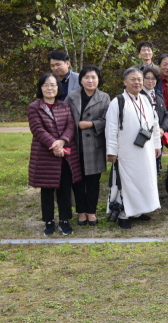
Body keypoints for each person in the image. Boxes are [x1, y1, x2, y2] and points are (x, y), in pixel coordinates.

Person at [105, 68, 161, 229]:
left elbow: (154, 124)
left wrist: (157, 144)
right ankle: (123, 214)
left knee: (144, 181)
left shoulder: (146, 99)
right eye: (133, 79)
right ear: (124, 82)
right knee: (126, 182)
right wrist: (112, 151)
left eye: (139, 79)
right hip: (126, 152)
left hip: (146, 150)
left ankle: (138, 211)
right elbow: (111, 128)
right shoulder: (118, 102)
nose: (137, 82)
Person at [28, 73, 82, 236]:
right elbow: (37, 129)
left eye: (53, 85)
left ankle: (64, 220)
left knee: (65, 189)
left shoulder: (64, 106)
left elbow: (70, 126)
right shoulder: (34, 107)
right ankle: (49, 221)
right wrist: (54, 144)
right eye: (46, 85)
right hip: (45, 155)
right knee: (47, 190)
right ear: (40, 88)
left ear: (58, 87)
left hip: (65, 156)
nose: (49, 88)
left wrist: (62, 141)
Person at [65, 66, 110, 227]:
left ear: (98, 80)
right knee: (77, 181)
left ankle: (91, 212)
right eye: (87, 77)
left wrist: (91, 124)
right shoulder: (71, 97)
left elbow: (108, 121)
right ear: (81, 80)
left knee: (93, 182)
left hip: (95, 146)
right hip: (75, 146)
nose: (90, 80)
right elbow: (64, 118)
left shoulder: (104, 98)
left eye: (94, 77)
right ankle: (81, 213)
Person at [140, 67, 168, 174]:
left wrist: (162, 129)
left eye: (153, 79)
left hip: (158, 135)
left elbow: (166, 115)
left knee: (156, 159)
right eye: (147, 78)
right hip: (144, 136)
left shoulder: (158, 95)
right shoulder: (138, 96)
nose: (150, 81)